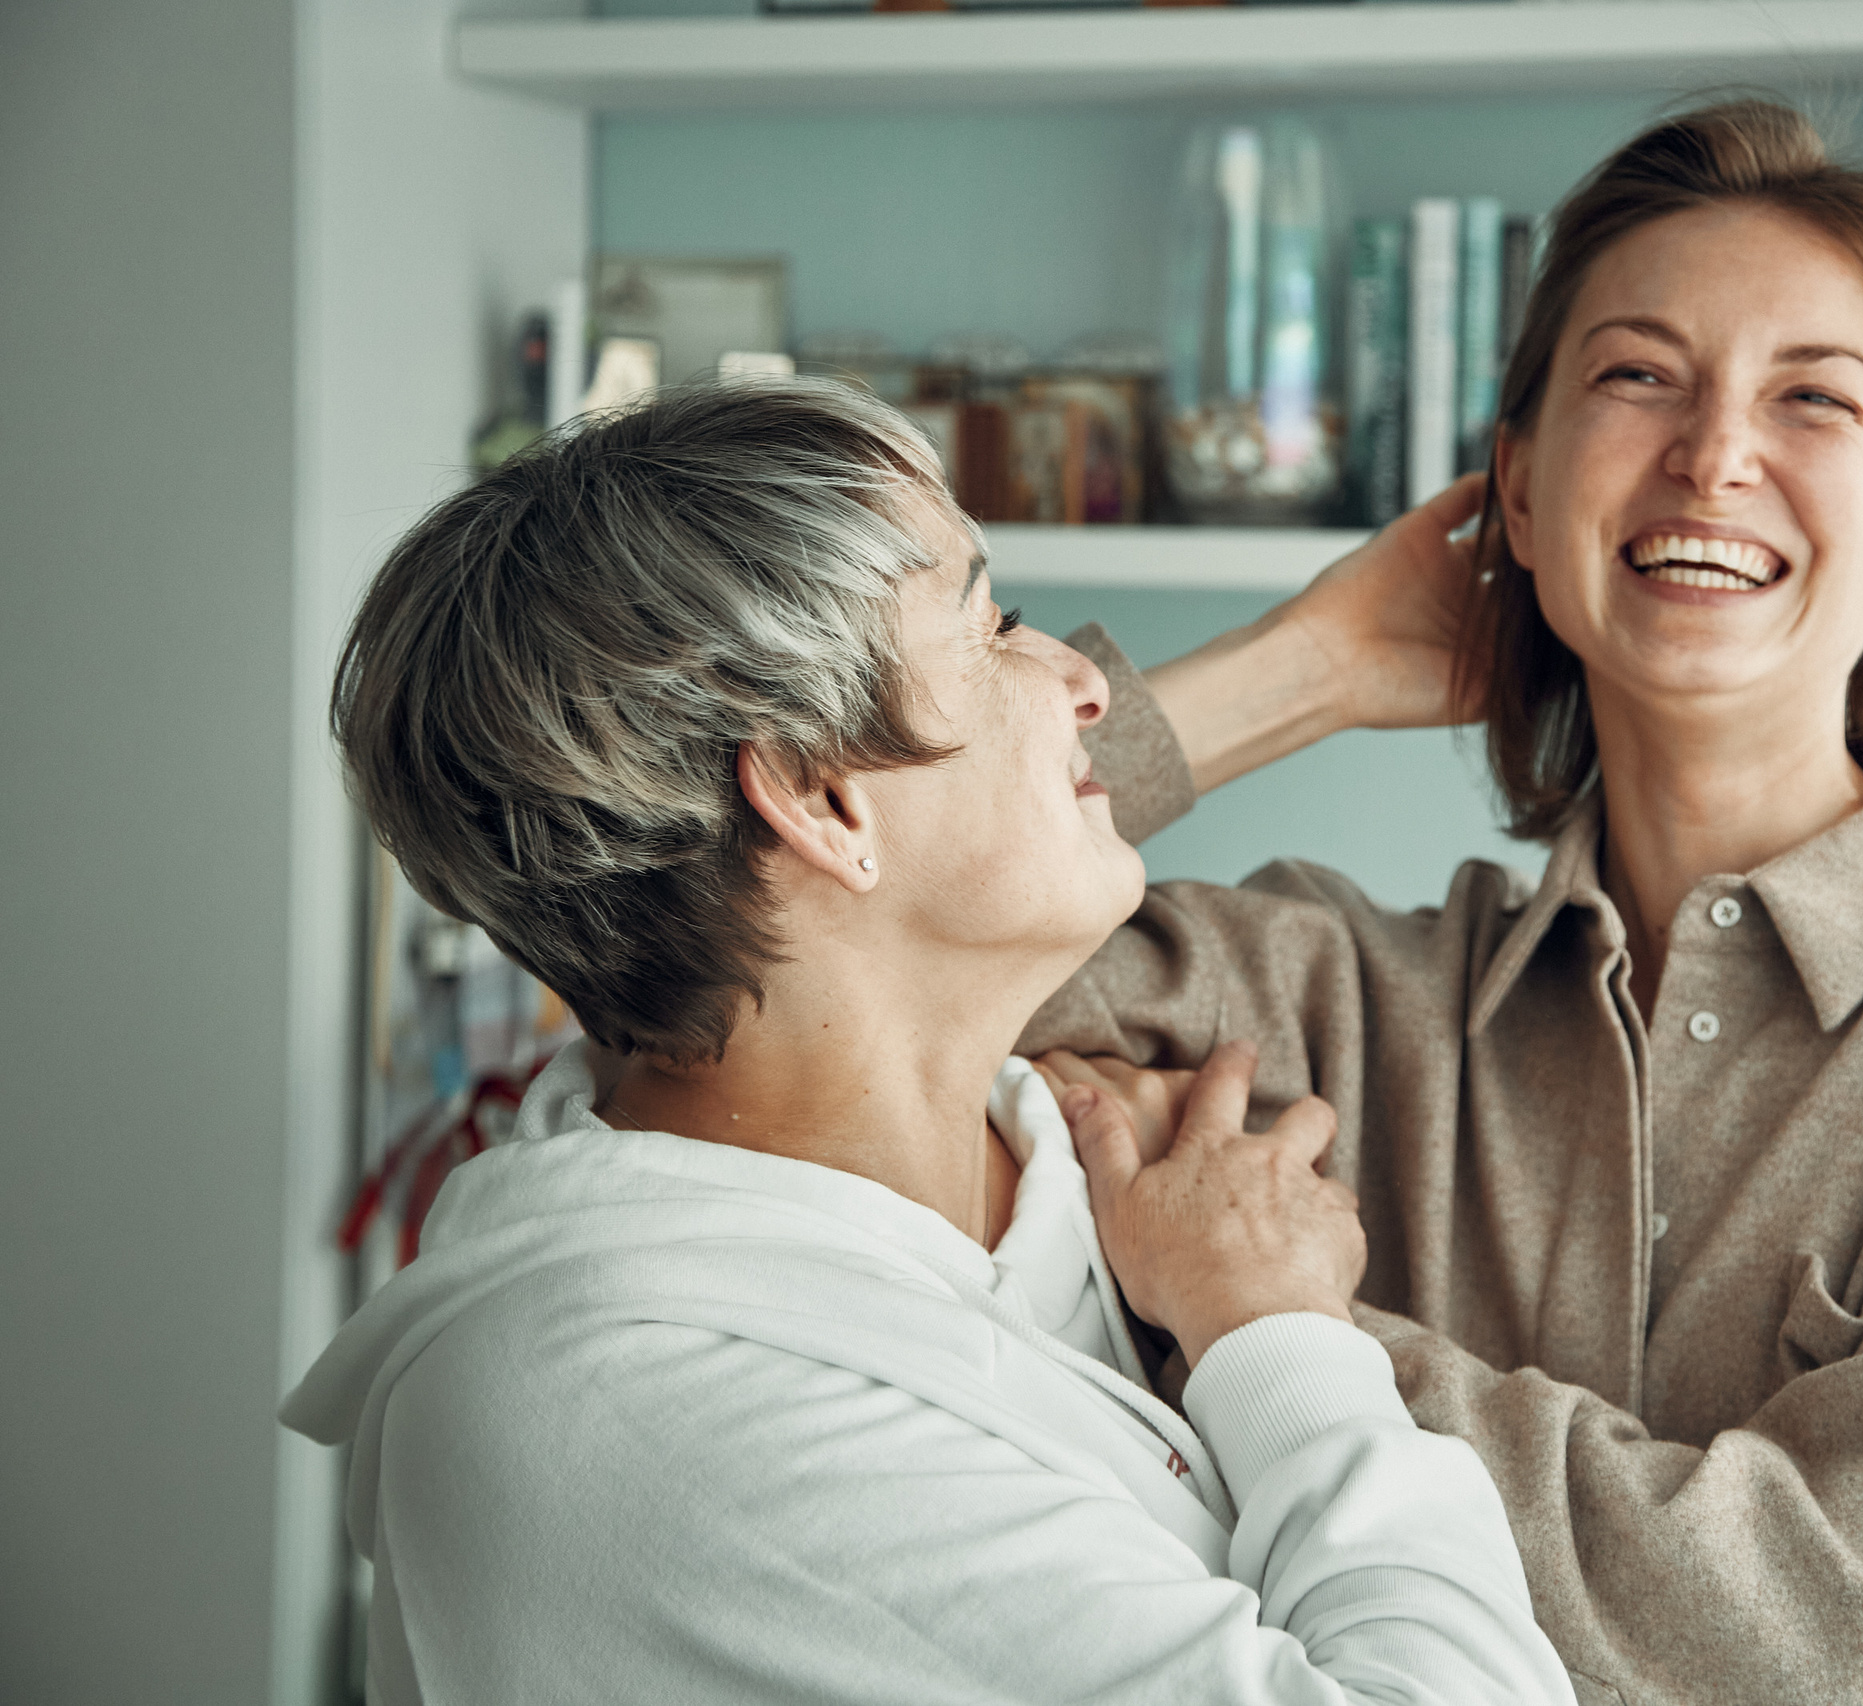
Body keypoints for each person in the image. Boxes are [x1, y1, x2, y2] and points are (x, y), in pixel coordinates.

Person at [1025, 100, 1863, 1703]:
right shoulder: (1342, 995)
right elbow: (789, 953)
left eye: (1814, 397)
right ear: (1518, 489)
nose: (1713, 455)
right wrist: (1304, 667)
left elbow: (1803, 1649)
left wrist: (1280, 1327)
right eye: (1637, 377)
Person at [280, 379, 1574, 1706]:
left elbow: (942, 847)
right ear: (821, 801)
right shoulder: (664, 1422)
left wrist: (1322, 661)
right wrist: (1281, 1336)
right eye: (992, 626)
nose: (1085, 679)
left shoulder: (1035, 1152)